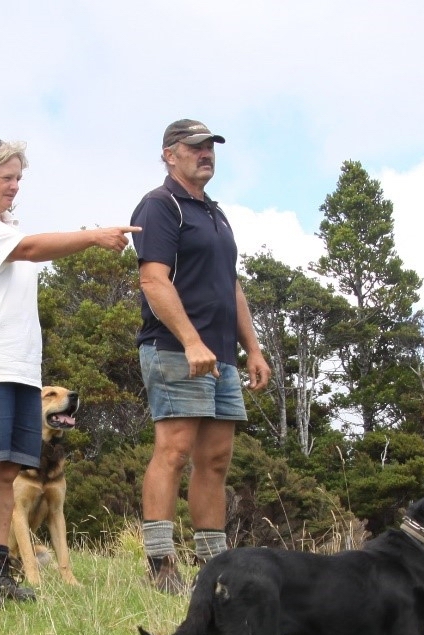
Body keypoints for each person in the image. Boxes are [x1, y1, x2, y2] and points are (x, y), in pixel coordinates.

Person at [0, 136, 138, 606]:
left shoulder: (5, 224)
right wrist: (92, 236)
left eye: (19, 178)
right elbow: (27, 249)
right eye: (6, 178)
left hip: (20, 368)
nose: (14, 187)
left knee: (7, 472)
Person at [130, 119, 271, 595]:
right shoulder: (160, 205)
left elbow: (230, 285)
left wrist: (252, 347)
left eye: (210, 147)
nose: (205, 153)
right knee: (172, 450)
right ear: (170, 154)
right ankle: (161, 566)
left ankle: (216, 569)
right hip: (175, 349)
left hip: (222, 356)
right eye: (195, 147)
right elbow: (153, 279)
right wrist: (191, 341)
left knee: (215, 460)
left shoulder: (215, 213)